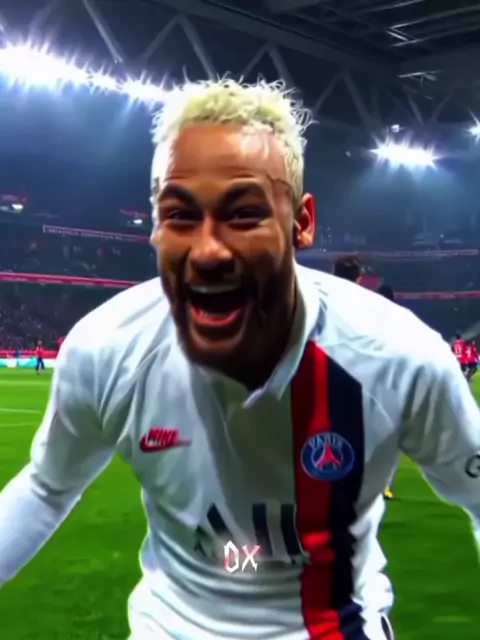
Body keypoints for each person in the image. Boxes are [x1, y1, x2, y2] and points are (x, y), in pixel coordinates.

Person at [0, 79, 480, 640]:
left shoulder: (396, 356)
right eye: (179, 215)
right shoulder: (107, 349)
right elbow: (46, 488)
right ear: (154, 226)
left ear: (301, 222)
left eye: (244, 214)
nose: (208, 251)